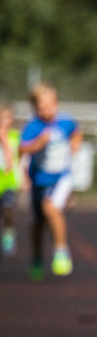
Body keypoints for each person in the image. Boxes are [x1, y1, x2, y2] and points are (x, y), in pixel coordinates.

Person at [19, 82, 82, 280]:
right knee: (37, 223)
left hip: (61, 177)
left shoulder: (65, 122)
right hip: (39, 179)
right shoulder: (33, 127)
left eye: (50, 105)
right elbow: (22, 149)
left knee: (50, 208)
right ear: (35, 108)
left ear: (57, 103)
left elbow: (76, 132)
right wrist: (37, 144)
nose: (47, 110)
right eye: (42, 107)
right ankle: (37, 258)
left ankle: (61, 251)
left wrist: (74, 144)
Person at [0, 104, 21, 258]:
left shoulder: (15, 136)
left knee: (8, 209)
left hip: (9, 182)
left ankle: (8, 232)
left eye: (6, 118)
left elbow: (19, 157)